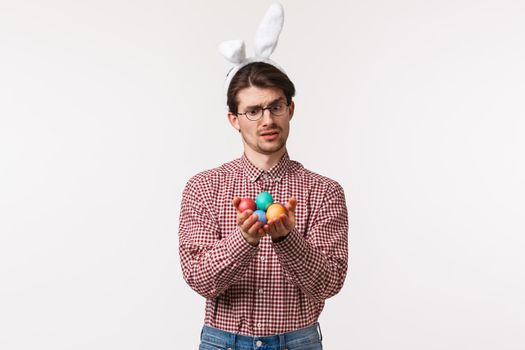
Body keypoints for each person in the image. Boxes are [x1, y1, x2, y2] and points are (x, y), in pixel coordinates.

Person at [178, 4, 348, 349]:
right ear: (234, 119)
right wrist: (244, 240)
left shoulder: (325, 191)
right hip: (223, 342)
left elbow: (329, 283)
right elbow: (199, 279)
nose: (267, 120)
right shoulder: (204, 188)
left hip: (297, 341)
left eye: (275, 106)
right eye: (253, 110)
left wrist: (289, 240)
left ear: (291, 109)